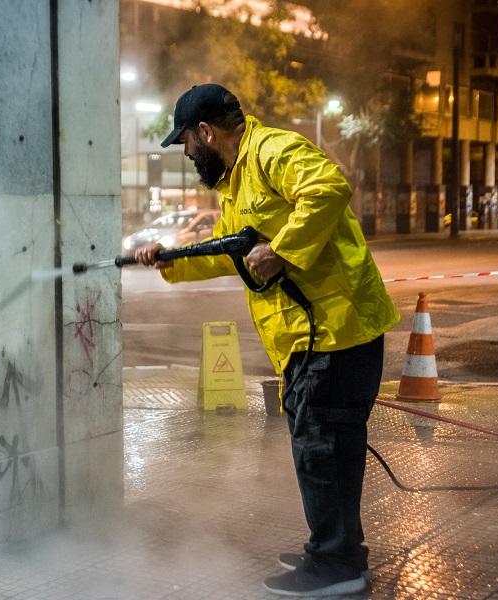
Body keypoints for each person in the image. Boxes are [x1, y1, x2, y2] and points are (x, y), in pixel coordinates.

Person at [133, 84, 400, 597]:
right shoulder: (237, 183)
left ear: (205, 133)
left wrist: (280, 250)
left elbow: (327, 188)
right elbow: (229, 252)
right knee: (327, 450)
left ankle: (334, 566)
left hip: (335, 332)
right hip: (314, 336)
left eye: (187, 142)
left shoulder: (274, 151)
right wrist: (171, 260)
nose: (188, 153)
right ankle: (339, 551)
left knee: (321, 449)